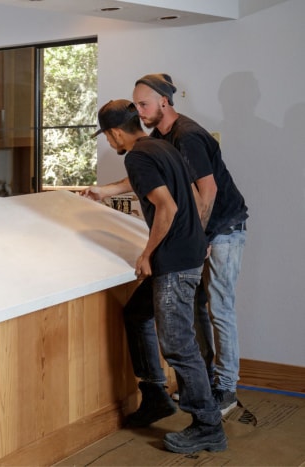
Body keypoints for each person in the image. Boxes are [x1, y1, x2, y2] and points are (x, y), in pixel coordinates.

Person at [84, 74, 248, 417]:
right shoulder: (157, 139)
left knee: (219, 308)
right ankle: (199, 386)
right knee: (195, 309)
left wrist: (197, 237)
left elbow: (208, 191)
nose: (139, 112)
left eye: (143, 104)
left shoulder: (186, 136)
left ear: (164, 101)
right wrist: (106, 191)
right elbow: (157, 179)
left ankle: (225, 390)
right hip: (194, 235)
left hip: (221, 228)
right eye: (136, 106)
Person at [91, 99, 226, 454]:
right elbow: (180, 191)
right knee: (136, 314)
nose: (109, 143)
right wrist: (104, 191)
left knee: (179, 345)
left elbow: (166, 207)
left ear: (116, 132)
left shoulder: (138, 156)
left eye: (107, 136)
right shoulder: (159, 146)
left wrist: (147, 253)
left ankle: (207, 425)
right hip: (188, 251)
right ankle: (155, 395)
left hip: (174, 260)